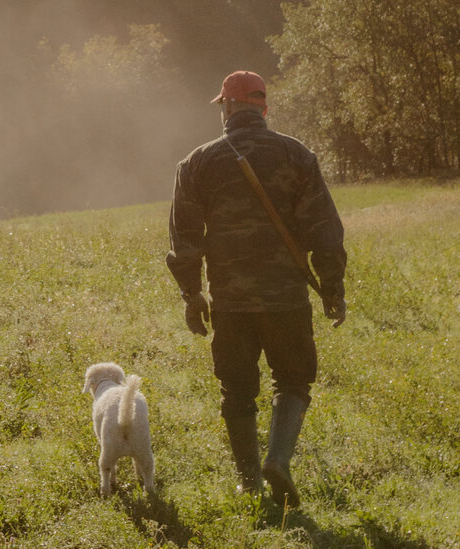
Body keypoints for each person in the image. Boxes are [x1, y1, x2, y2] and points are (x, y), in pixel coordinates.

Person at [165, 70, 347, 507]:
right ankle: (278, 460)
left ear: (227, 107)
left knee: (237, 389)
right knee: (293, 379)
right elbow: (324, 229)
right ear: (263, 107)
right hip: (286, 297)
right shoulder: (297, 155)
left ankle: (249, 482)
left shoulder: (198, 162)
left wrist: (193, 295)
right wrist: (332, 289)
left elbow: (184, 238)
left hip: (230, 301)